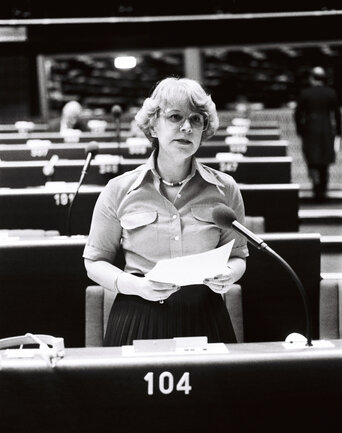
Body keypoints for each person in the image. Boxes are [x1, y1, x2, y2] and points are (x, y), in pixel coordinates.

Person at [83, 77, 249, 346]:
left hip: (205, 314)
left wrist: (229, 273)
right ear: (153, 124)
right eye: (175, 117)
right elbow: (94, 263)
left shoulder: (225, 188)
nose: (186, 127)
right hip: (138, 312)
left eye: (196, 120)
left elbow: (239, 256)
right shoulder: (119, 189)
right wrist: (136, 286)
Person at [294, 66, 341, 200]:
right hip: (326, 128)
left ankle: (316, 187)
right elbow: (337, 114)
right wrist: (338, 130)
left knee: (312, 159)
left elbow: (298, 114)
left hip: (310, 128)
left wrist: (300, 129)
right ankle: (323, 188)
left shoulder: (305, 93)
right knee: (324, 161)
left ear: (312, 78)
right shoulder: (330, 93)